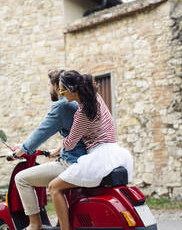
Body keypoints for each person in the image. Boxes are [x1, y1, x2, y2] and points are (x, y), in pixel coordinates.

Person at [48, 70, 133, 230]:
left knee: (54, 187)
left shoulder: (82, 114)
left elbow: (70, 143)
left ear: (71, 89)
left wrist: (58, 148)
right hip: (115, 153)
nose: (61, 94)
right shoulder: (95, 98)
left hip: (99, 158)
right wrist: (60, 148)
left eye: (62, 90)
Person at [12, 69, 87, 230]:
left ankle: (35, 224)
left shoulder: (61, 106)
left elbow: (41, 133)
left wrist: (22, 150)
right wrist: (59, 149)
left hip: (71, 162)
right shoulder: (75, 103)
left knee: (21, 179)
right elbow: (75, 133)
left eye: (49, 85)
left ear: (56, 85)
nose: (49, 89)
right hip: (83, 159)